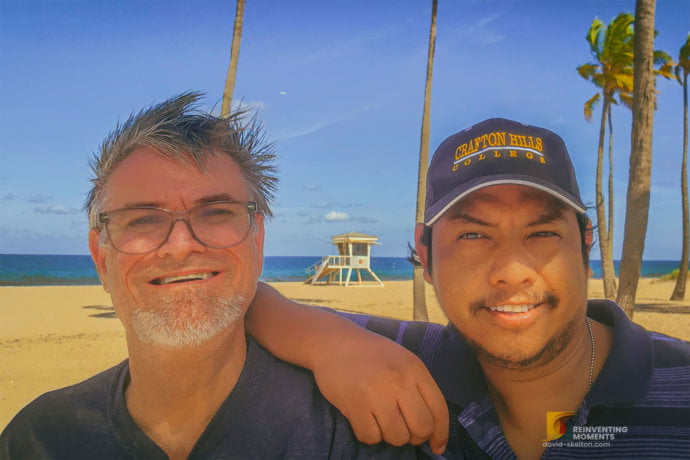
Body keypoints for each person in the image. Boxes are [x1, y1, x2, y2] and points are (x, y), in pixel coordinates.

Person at [0, 92, 445, 459]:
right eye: (142, 219)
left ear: (258, 240)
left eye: (215, 212)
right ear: (100, 258)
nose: (181, 244)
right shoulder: (40, 440)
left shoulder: (356, 433)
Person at [247, 118, 690, 459]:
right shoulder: (399, 358)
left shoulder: (681, 386)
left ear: (585, 244)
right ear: (425, 254)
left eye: (543, 233)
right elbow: (239, 304)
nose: (513, 272)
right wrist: (325, 342)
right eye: (474, 236)